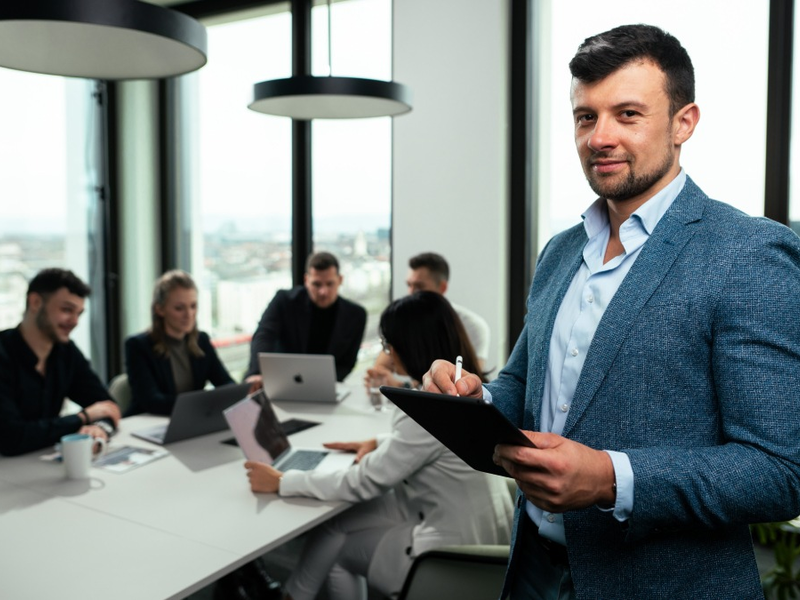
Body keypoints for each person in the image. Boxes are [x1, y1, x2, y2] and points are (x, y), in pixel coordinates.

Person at [424, 24, 800, 599]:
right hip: (532, 570)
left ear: (683, 123)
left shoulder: (748, 255)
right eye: (585, 117)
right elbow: (525, 389)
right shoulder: (559, 253)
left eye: (627, 114)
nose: (600, 137)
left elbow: (779, 470)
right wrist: (476, 402)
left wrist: (610, 479)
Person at [245, 291, 514, 600]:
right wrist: (379, 442)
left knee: (339, 555)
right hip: (483, 531)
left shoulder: (430, 406)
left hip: (452, 554)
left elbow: (363, 482)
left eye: (388, 344)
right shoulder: (468, 392)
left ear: (408, 345)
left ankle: (294, 594)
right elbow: (435, 447)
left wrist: (281, 481)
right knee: (336, 525)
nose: (388, 353)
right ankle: (293, 595)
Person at [0, 268, 120, 456]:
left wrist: (99, 427)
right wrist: (83, 418)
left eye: (79, 313)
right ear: (35, 302)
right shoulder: (3, 353)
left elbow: (106, 406)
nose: (74, 322)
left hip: (41, 464)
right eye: (66, 310)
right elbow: (10, 437)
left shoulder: (66, 352)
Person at [367, 251, 491, 389]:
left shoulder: (473, 326)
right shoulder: (408, 319)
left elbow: (470, 383)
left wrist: (402, 385)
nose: (411, 292)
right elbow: (382, 365)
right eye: (409, 285)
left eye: (419, 287)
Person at [244, 252, 367, 385]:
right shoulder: (284, 301)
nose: (323, 292)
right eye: (317, 284)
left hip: (324, 386)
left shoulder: (356, 315)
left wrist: (319, 384)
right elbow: (264, 335)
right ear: (306, 280)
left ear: (340, 280)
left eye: (330, 284)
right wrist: (258, 372)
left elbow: (347, 363)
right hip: (278, 381)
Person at [125, 269, 235, 416]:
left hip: (190, 421)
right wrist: (203, 405)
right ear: (160, 309)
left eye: (193, 306)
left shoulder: (201, 340)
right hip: (149, 422)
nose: (189, 315)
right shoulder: (138, 346)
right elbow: (152, 401)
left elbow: (226, 384)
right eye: (179, 308)